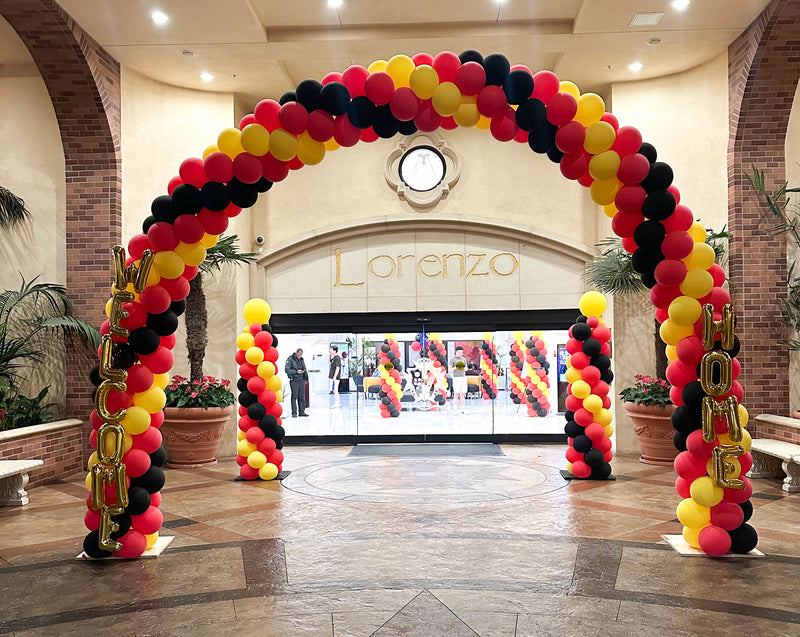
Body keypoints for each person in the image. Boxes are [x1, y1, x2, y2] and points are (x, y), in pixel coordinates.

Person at [285, 348, 309, 417]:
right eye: (299, 355)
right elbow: (287, 370)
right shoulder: (290, 359)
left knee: (301, 397)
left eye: (301, 355)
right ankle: (294, 412)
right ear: (296, 353)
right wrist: (296, 372)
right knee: (294, 396)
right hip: (294, 380)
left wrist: (306, 378)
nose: (299, 356)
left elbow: (305, 368)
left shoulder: (301, 360)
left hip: (302, 380)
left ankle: (302, 412)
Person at [449, 345, 468, 413]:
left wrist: (464, 367)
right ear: (456, 352)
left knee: (462, 394)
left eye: (462, 352)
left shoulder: (463, 359)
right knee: (456, 393)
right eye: (459, 352)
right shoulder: (452, 359)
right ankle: (455, 409)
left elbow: (466, 369)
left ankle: (462, 409)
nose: (460, 354)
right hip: (456, 378)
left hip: (463, 377)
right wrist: (456, 367)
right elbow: (450, 369)